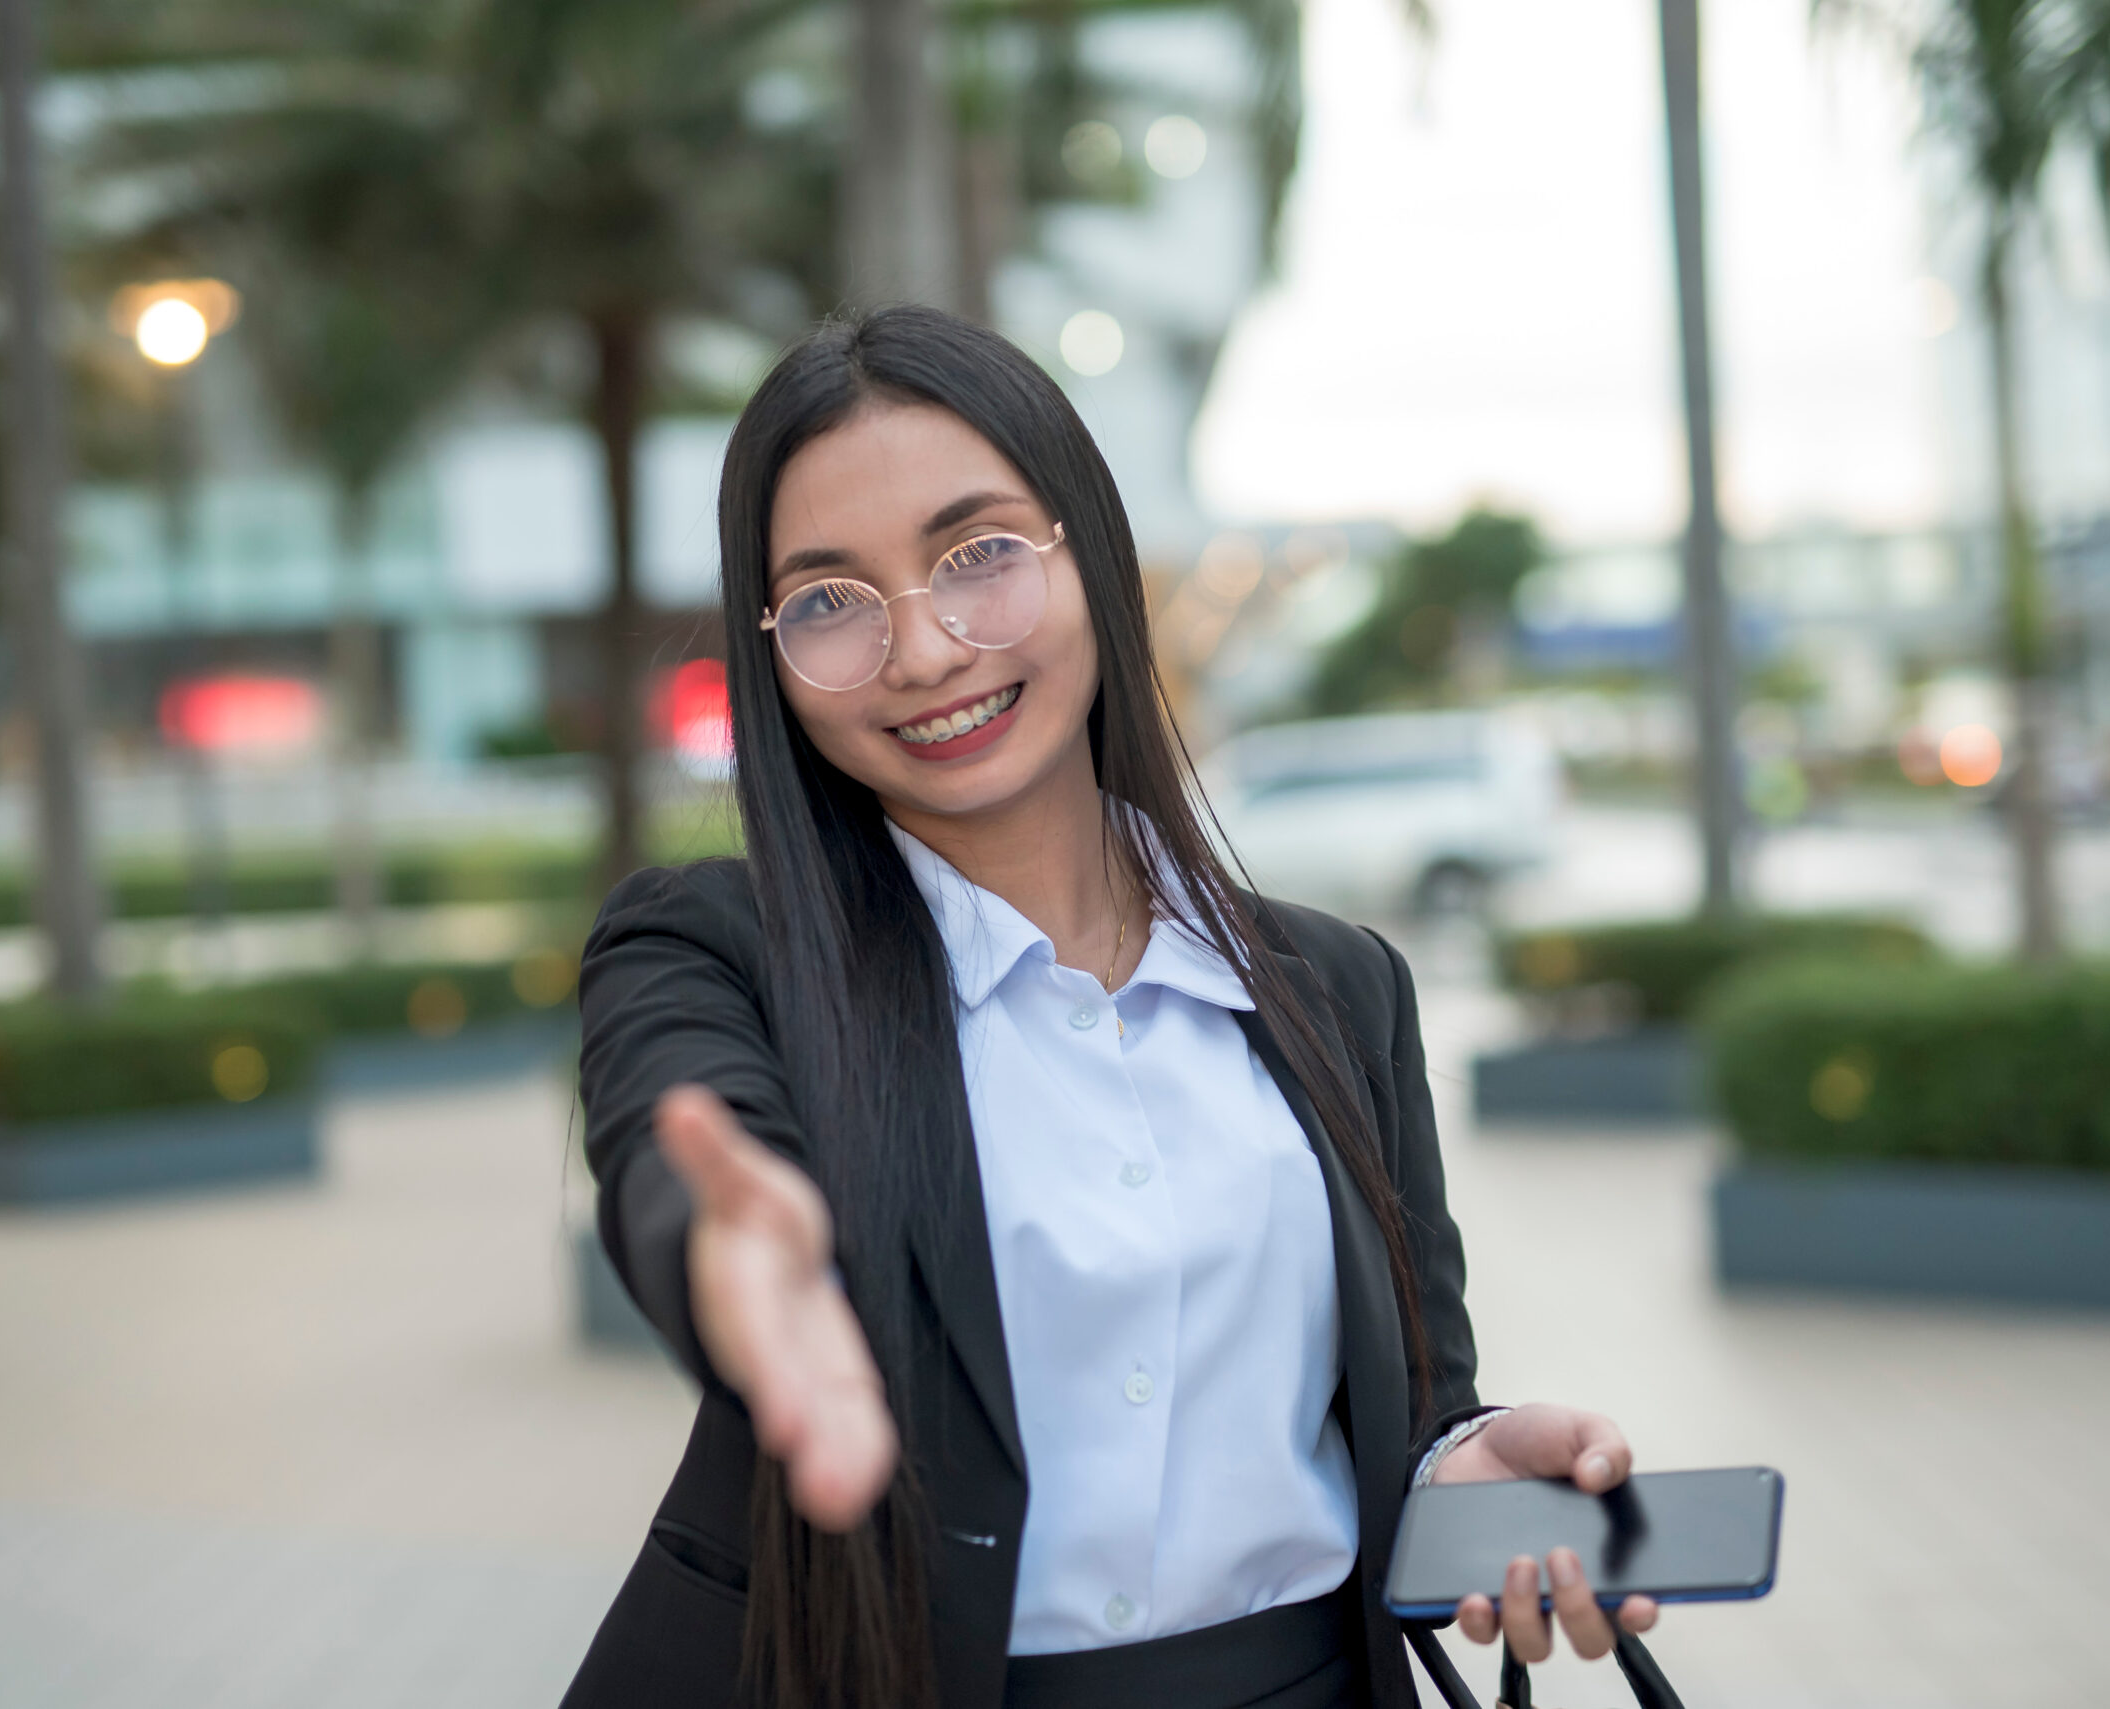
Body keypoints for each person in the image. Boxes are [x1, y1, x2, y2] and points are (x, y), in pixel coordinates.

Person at [565, 306, 1658, 1709]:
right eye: (831, 600)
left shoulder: (1338, 986)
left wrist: (1459, 1468)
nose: (923, 648)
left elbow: (1411, 1397)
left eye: (979, 555)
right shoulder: (713, 948)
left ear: (1091, 551)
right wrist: (726, 1247)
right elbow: (675, 1134)